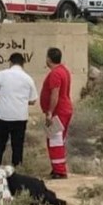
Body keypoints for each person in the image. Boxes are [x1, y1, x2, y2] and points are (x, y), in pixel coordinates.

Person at [0, 52, 38, 167]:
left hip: (2, 116)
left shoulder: (1, 75)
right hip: (20, 117)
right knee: (17, 147)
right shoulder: (28, 79)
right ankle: (17, 170)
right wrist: (21, 100)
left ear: (10, 62)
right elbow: (33, 100)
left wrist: (4, 96)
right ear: (23, 64)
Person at [40, 47, 73, 179]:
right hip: (65, 109)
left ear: (49, 59)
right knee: (58, 140)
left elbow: (55, 94)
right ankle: (57, 168)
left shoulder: (55, 73)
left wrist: (50, 112)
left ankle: (59, 171)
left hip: (59, 111)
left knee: (55, 140)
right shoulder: (64, 70)